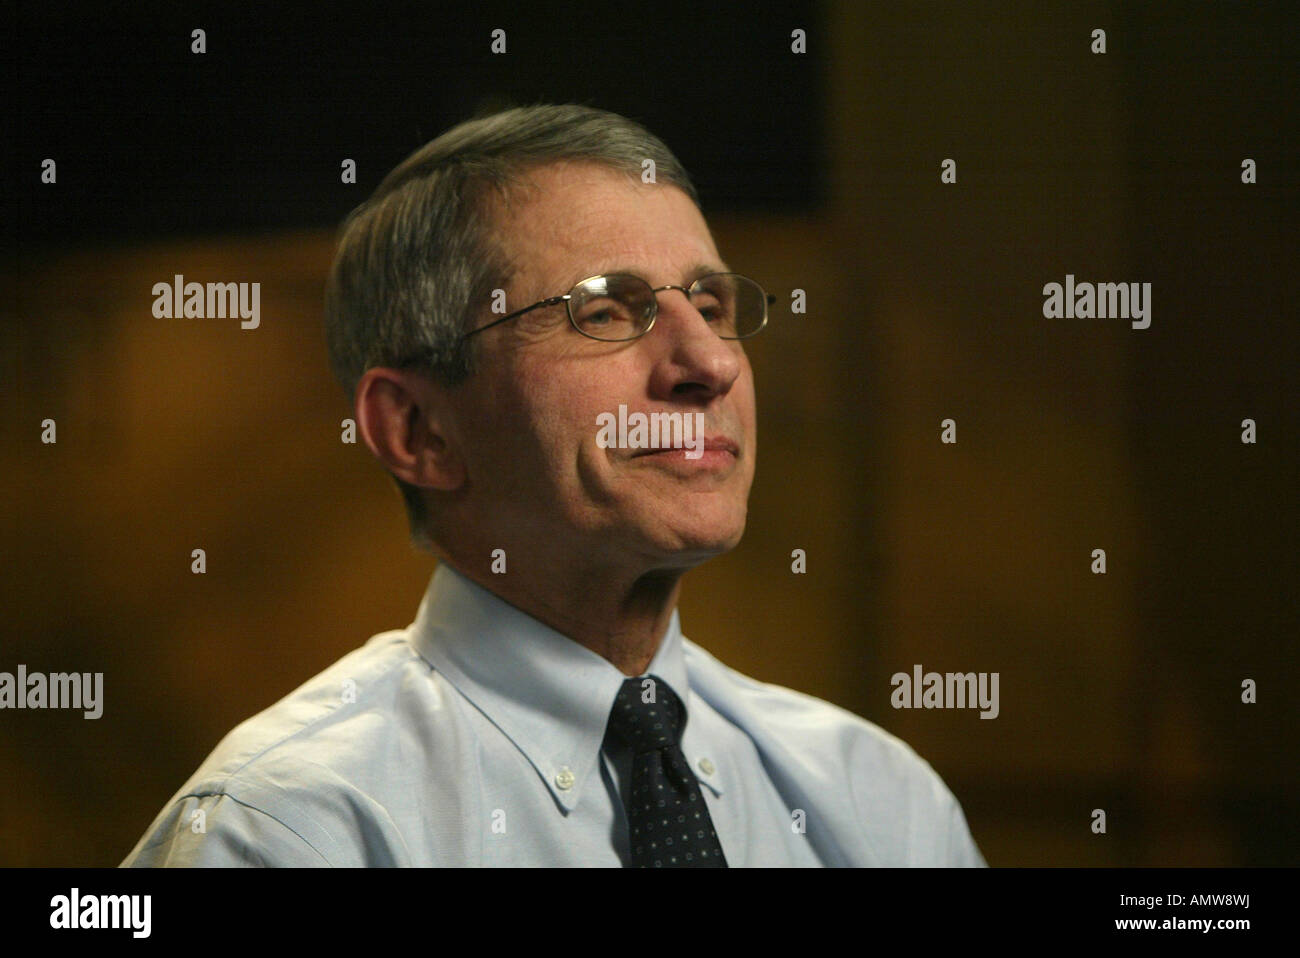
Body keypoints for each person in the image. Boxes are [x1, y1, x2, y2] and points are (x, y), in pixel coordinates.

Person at [121, 103, 986, 867]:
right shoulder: (289, 833)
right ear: (417, 431)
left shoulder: (882, 803)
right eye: (607, 311)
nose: (712, 364)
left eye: (713, 306)